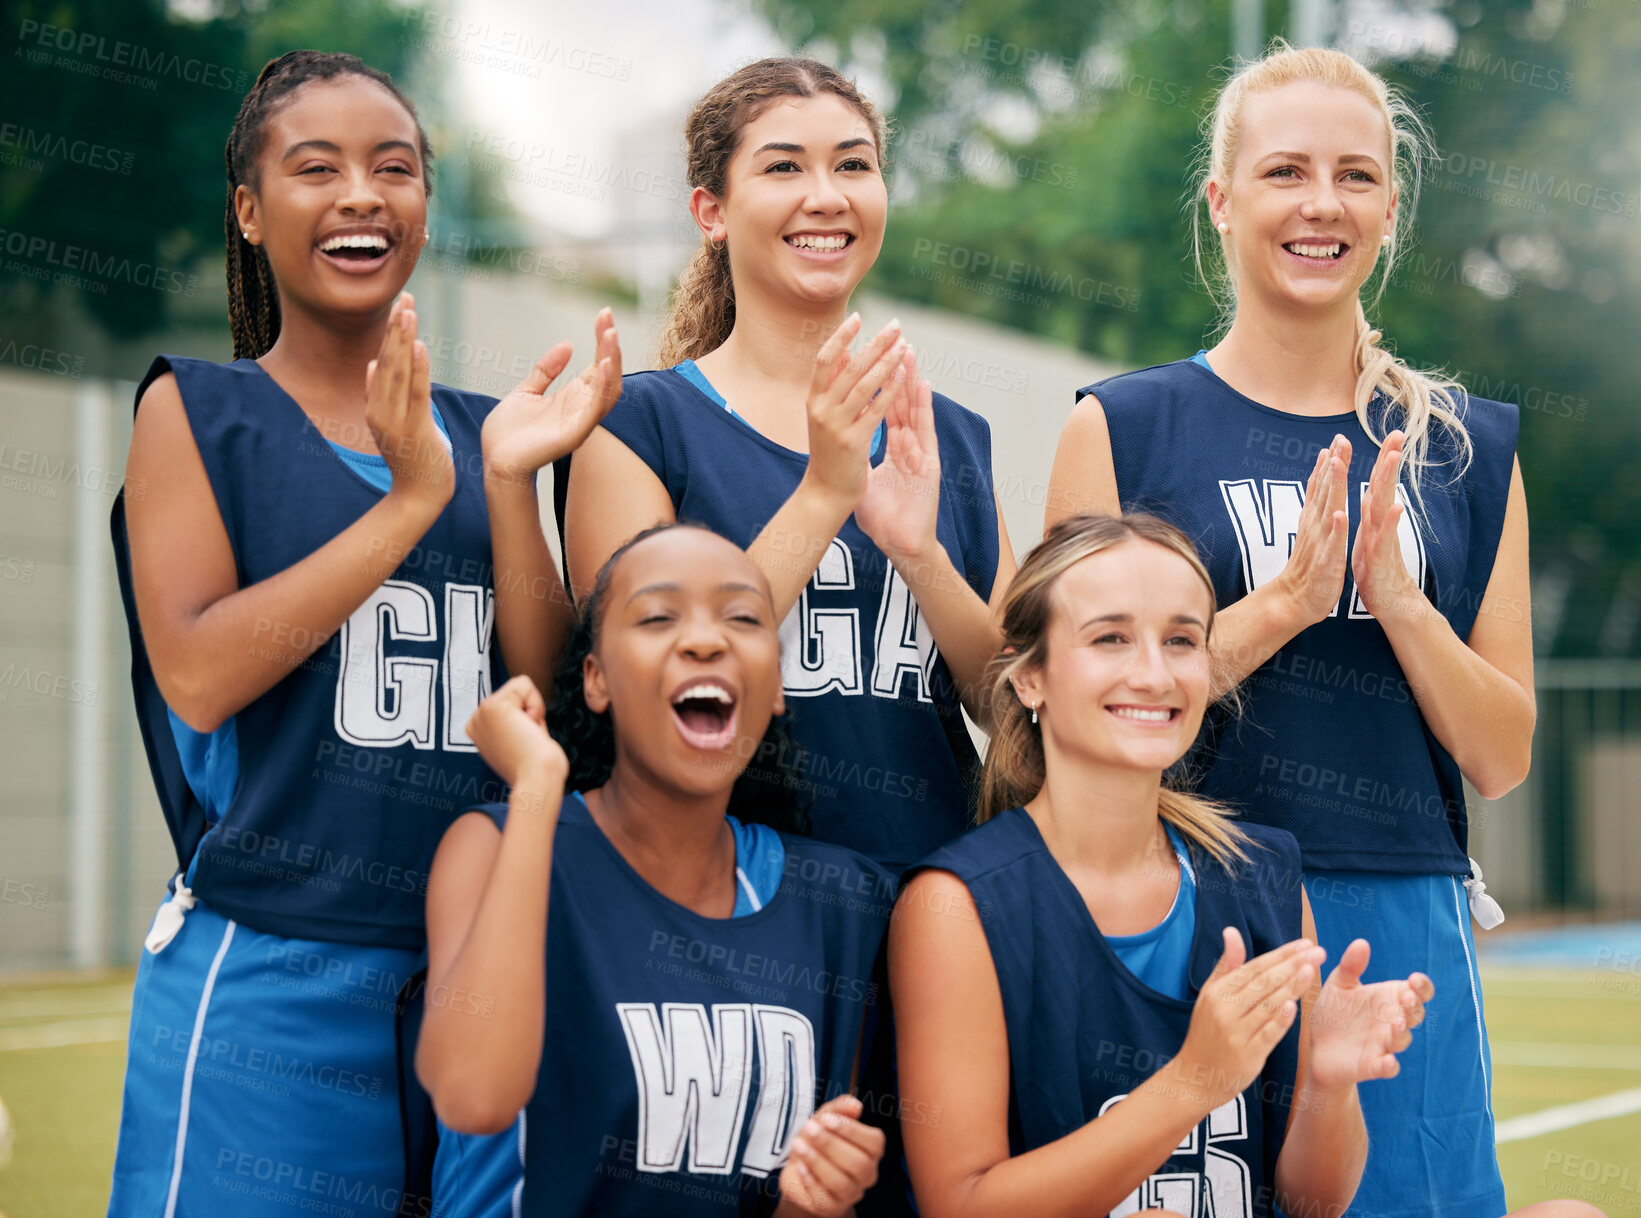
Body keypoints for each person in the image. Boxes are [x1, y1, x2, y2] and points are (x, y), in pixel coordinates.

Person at [1043, 42, 1576, 1218]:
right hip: (1182, 897)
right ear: (1223, 200)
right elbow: (1064, 717)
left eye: (1356, 176)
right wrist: (1283, 604)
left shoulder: (1465, 446)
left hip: (1400, 915)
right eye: (1285, 172)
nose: (1322, 204)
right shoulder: (1124, 427)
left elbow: (1500, 753)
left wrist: (1399, 600)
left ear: (1390, 206)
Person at [106, 50, 616, 1216]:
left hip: (483, 966)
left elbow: (549, 694)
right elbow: (196, 673)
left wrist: (505, 485)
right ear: (248, 210)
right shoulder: (197, 409)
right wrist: (407, 504)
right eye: (316, 168)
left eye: (395, 169)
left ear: (426, 208)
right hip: (277, 968)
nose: (361, 195)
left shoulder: (493, 435)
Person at [892, 512, 1436, 1218]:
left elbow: (1311, 1203)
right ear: (1029, 679)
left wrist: (1327, 1084)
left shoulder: (1259, 873)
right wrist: (1192, 1081)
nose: (1151, 674)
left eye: (1180, 640)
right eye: (1109, 638)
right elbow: (960, 1204)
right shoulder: (957, 907)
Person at [558, 57, 1016, 876]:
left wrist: (919, 554)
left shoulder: (946, 433)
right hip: (727, 908)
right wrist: (823, 494)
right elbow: (630, 693)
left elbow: (1013, 708)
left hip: (937, 903)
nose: (826, 195)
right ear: (711, 211)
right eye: (782, 167)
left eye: (852, 164)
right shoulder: (635, 424)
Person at [416, 524, 893, 1216]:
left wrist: (818, 1199)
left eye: (742, 618)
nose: (704, 640)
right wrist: (538, 783)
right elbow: (471, 1096)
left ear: (778, 686)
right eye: (657, 616)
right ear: (596, 680)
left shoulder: (838, 901)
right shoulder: (496, 843)